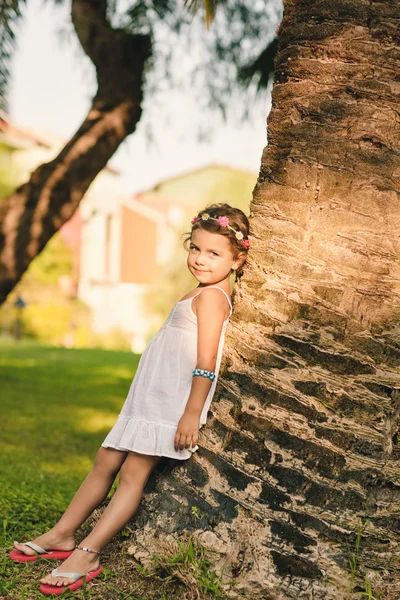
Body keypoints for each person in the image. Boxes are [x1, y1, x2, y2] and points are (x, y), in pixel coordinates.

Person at [9, 203, 250, 596]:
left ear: (238, 259)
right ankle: (62, 533)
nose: (200, 260)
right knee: (105, 460)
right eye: (196, 249)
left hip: (169, 404)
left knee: (131, 477)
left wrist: (191, 413)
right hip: (148, 398)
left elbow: (207, 361)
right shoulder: (205, 290)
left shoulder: (212, 299)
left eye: (214, 253)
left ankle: (88, 552)